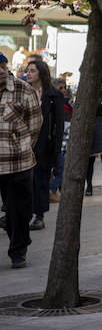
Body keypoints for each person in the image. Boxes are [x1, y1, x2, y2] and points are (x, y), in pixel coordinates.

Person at [0, 53, 42, 268]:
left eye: (2, 65)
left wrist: (22, 146)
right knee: (11, 214)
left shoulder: (23, 89)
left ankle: (18, 251)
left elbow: (35, 123)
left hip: (18, 162)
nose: (0, 69)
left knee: (18, 210)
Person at [22, 60, 64, 230]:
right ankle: (15, 212)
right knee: (22, 181)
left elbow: (59, 125)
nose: (28, 73)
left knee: (40, 181)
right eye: (27, 71)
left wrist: (56, 149)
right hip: (23, 142)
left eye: (32, 70)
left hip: (44, 145)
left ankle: (39, 216)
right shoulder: (22, 92)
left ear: (41, 73)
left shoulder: (54, 95)